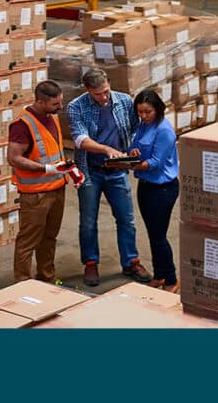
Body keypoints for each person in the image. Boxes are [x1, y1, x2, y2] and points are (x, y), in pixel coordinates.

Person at [66, 69, 152, 286]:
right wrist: (106, 149)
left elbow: (136, 129)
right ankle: (91, 263)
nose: (104, 98)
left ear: (109, 84)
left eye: (106, 91)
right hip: (91, 171)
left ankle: (131, 261)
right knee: (88, 221)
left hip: (117, 172)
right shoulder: (76, 107)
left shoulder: (124, 101)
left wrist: (133, 148)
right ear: (88, 91)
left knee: (126, 219)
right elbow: (80, 139)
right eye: (97, 94)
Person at [8, 80, 72, 282]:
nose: (60, 108)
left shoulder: (51, 117)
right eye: (55, 104)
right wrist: (45, 168)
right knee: (28, 241)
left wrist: (69, 171)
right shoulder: (22, 124)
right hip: (36, 194)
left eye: (60, 102)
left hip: (57, 188)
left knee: (49, 239)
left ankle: (47, 279)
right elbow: (14, 158)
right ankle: (23, 283)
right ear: (41, 101)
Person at [127, 90, 180, 292]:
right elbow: (134, 145)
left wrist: (132, 166)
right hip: (146, 186)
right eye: (140, 112)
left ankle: (172, 279)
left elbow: (156, 163)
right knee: (152, 233)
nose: (143, 116)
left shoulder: (164, 130)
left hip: (163, 189)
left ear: (157, 109)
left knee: (159, 236)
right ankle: (159, 275)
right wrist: (132, 153)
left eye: (147, 112)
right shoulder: (144, 125)